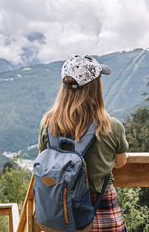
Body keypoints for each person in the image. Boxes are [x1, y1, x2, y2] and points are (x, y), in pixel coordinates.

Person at [38, 54, 128, 232]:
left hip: (60, 210)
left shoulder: (48, 123)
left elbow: (42, 158)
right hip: (100, 207)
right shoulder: (111, 126)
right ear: (96, 87)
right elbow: (120, 162)